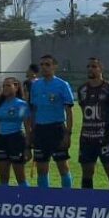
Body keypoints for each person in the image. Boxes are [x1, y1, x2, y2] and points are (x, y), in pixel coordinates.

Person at [29, 54, 75, 189]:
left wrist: (68, 133)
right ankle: (44, 200)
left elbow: (69, 111)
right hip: (40, 130)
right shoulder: (35, 85)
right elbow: (33, 110)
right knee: (41, 168)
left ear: (54, 66)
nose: (44, 67)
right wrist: (32, 131)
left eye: (47, 64)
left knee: (63, 166)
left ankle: (67, 198)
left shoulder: (62, 85)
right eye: (42, 65)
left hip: (57, 129)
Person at [77, 57, 109, 190]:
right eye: (88, 66)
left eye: (94, 66)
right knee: (87, 172)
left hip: (105, 139)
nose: (90, 69)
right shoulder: (82, 90)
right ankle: (88, 202)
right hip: (86, 138)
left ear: (101, 69)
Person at [0, 77, 32, 186]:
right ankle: (4, 199)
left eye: (8, 85)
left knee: (20, 177)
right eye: (3, 86)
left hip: (16, 139)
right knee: (3, 177)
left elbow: (27, 127)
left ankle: (26, 199)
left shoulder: (22, 105)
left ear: (16, 87)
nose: (5, 88)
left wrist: (28, 147)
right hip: (2, 140)